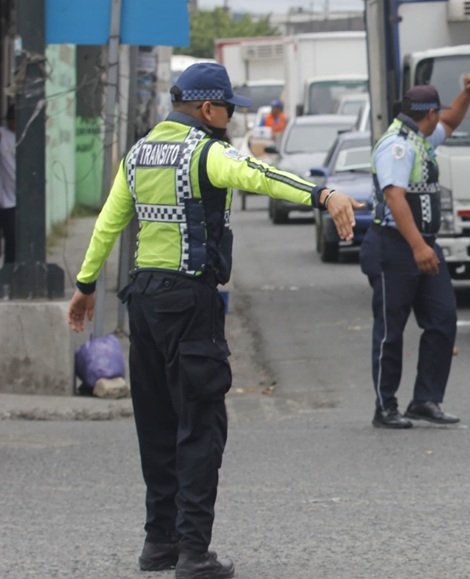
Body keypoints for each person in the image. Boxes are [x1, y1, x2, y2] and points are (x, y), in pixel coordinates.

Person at [65, 63, 360, 579]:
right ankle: (193, 552)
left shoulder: (138, 153)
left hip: (145, 302)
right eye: (227, 109)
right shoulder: (207, 152)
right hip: (189, 303)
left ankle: (159, 543)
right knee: (200, 424)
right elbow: (259, 175)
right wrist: (322, 193)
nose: (230, 119)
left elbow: (110, 219)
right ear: (206, 108)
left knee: (156, 425)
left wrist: (86, 285)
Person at [361, 75, 470, 429]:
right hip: (395, 248)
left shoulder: (422, 136)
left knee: (443, 319)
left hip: (423, 244)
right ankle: (385, 406)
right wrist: (418, 246)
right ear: (428, 113)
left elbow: (452, 120)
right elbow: (394, 196)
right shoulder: (398, 146)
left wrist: (468, 92)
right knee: (391, 330)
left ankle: (426, 399)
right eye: (438, 112)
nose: (441, 119)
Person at [0, 104, 15, 266]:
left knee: (15, 243)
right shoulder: (3, 135)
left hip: (19, 200)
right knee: (10, 242)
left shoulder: (24, 136)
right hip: (6, 200)